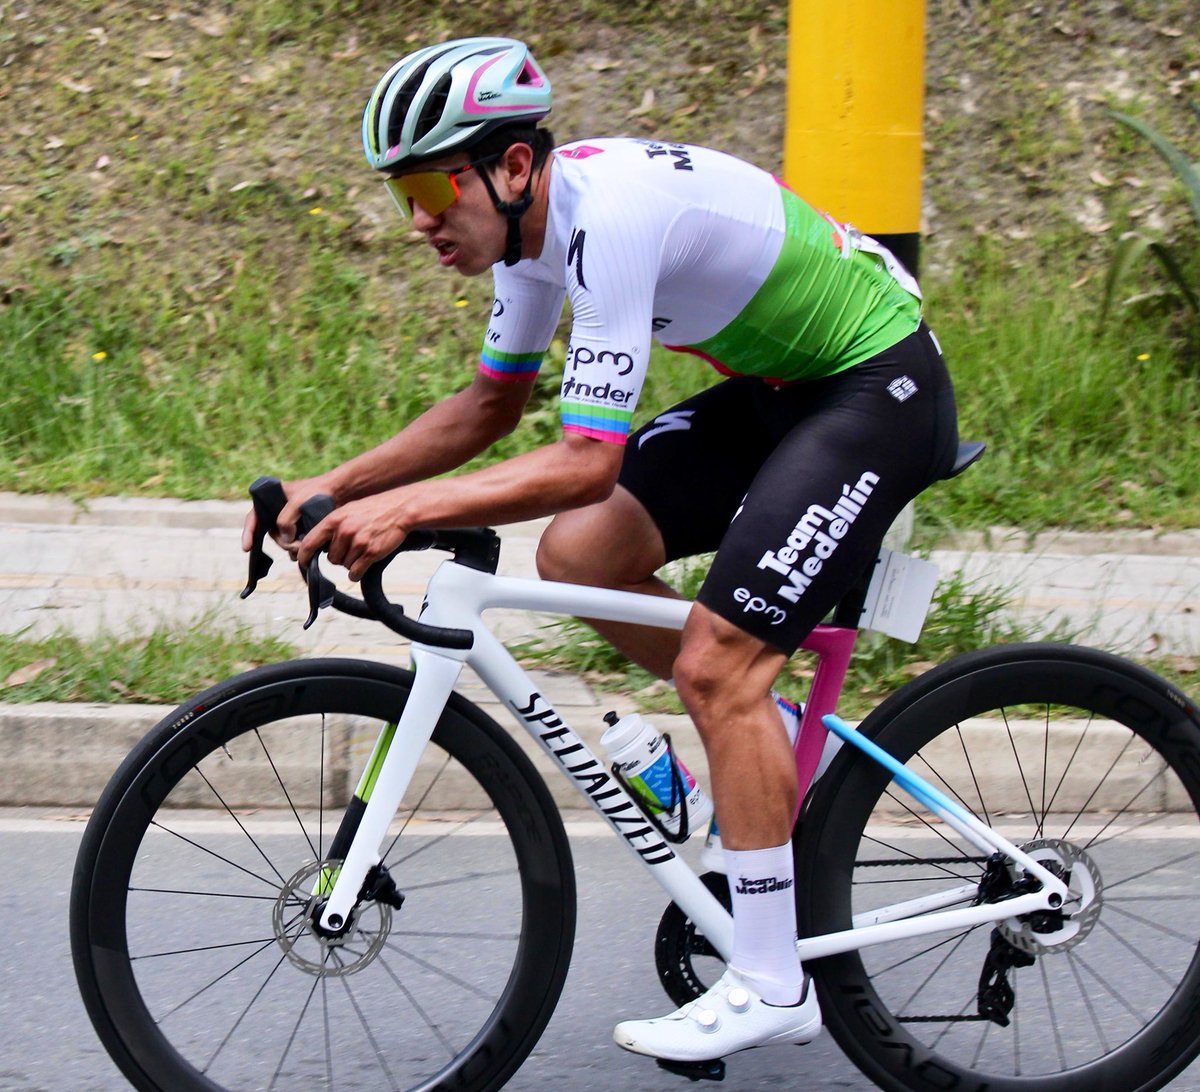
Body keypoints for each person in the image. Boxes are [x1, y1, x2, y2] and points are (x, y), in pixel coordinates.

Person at [243, 36, 959, 1065]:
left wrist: (406, 511)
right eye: (403, 190)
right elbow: (494, 403)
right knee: (578, 558)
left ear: (515, 165)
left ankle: (770, 981)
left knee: (717, 663)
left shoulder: (608, 217)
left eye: (438, 184)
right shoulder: (530, 240)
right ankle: (769, 733)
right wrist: (339, 486)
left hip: (875, 386)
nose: (419, 218)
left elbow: (585, 456)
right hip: (782, 393)